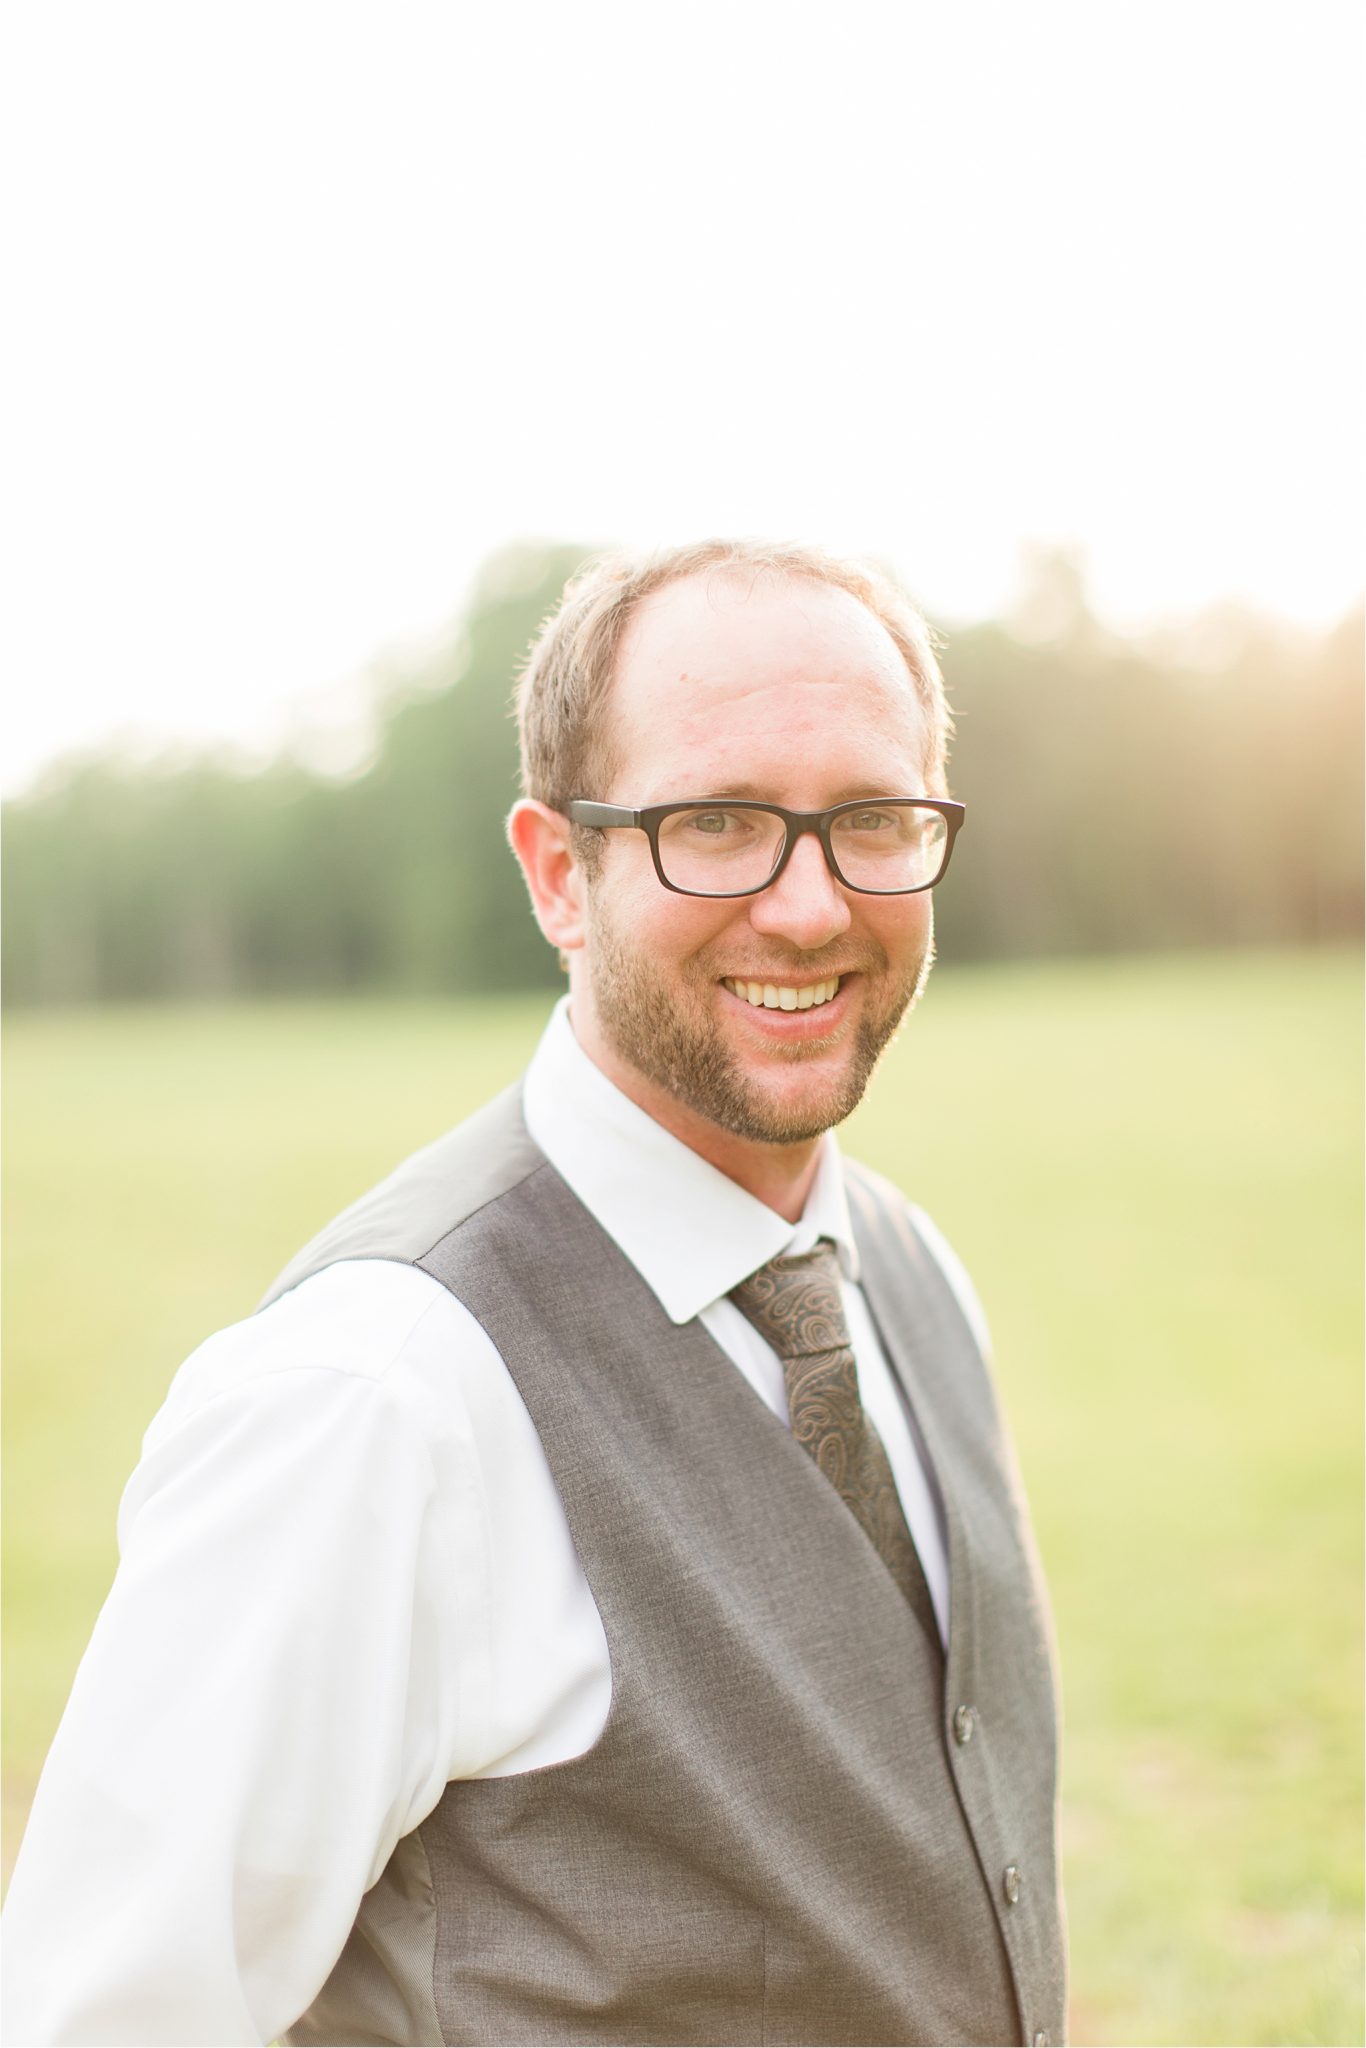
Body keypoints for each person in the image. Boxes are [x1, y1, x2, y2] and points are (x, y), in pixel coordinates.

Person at [2, 539, 1066, 2047]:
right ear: (560, 872)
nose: (813, 906)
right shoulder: (371, 1398)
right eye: (717, 821)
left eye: (872, 820)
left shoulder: (903, 1268)